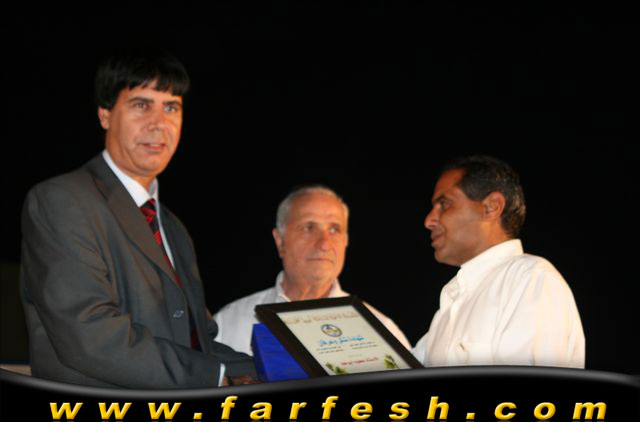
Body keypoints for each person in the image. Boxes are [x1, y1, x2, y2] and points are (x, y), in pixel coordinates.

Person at [20, 49, 255, 388]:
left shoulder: (173, 228)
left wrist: (283, 369)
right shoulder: (62, 200)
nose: (159, 123)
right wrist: (216, 378)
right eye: (142, 105)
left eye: (171, 107)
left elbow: (197, 343)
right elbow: (91, 337)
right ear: (105, 114)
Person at [412, 155, 585, 368]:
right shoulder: (450, 306)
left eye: (444, 204)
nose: (429, 220)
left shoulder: (530, 278)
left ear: (492, 207)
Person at [213, 186, 411, 355]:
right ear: (280, 241)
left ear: (346, 241)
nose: (324, 244)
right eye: (309, 227)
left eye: (334, 229)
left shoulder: (381, 331)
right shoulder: (228, 324)